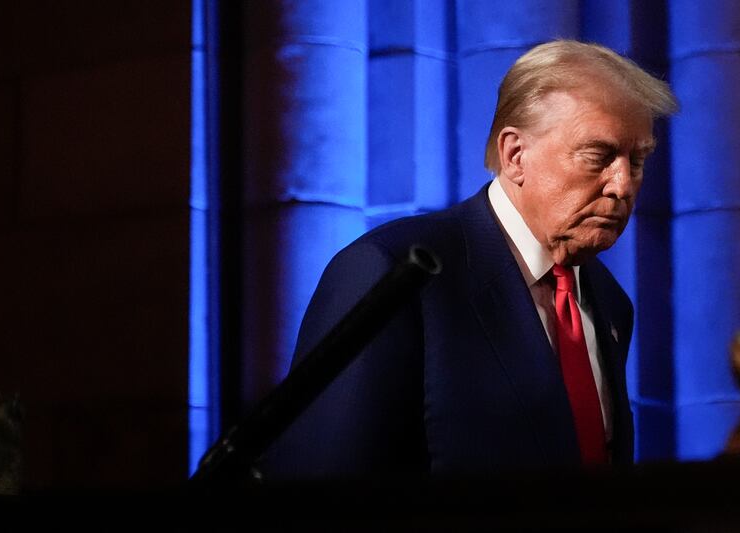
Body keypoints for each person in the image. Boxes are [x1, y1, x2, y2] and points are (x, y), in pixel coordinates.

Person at [261, 40, 678, 479]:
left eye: (637, 160)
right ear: (516, 155)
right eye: (600, 156)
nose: (623, 185)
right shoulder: (391, 272)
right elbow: (317, 490)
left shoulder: (609, 302)